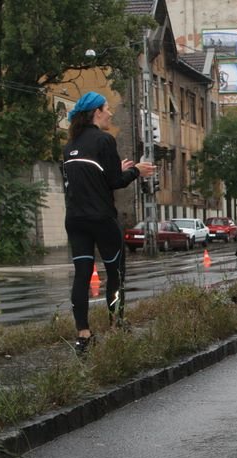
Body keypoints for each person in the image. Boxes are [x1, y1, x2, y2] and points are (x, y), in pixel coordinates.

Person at [62, 91, 155, 355]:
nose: (111, 113)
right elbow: (115, 182)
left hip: (75, 219)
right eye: (107, 108)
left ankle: (83, 335)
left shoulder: (69, 147)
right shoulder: (105, 140)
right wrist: (137, 170)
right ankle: (116, 324)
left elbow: (87, 180)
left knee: (81, 275)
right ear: (95, 112)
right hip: (102, 219)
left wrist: (119, 168)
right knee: (115, 273)